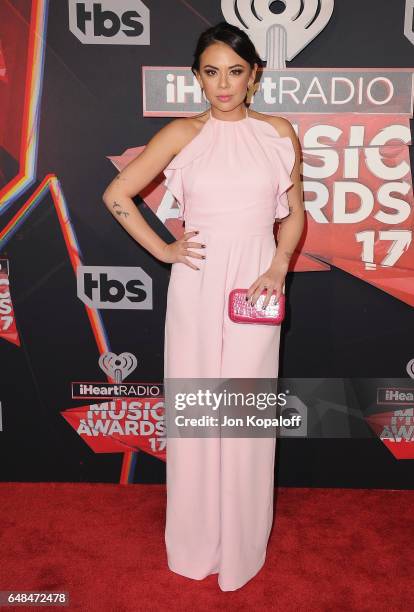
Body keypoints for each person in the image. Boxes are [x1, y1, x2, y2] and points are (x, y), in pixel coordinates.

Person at [103, 21, 304, 592]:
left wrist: (278, 265)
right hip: (196, 282)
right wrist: (165, 249)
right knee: (197, 409)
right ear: (196, 76)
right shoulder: (182, 133)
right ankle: (195, 540)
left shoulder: (278, 133)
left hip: (256, 288)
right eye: (211, 72)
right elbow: (118, 195)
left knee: (242, 412)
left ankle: (241, 544)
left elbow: (294, 213)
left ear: (254, 75)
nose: (223, 84)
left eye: (235, 72)